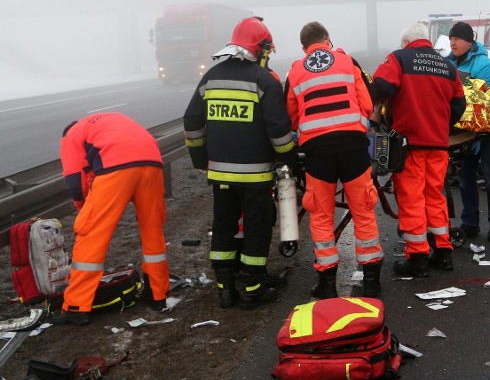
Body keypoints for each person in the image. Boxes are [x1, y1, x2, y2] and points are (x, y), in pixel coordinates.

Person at [183, 16, 297, 310]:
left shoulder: (211, 76)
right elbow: (278, 130)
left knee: (223, 227)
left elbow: (192, 121)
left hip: (220, 175)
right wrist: (288, 161)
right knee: (257, 231)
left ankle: (225, 291)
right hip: (256, 177)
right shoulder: (262, 81)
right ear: (258, 48)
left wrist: (201, 159)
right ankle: (252, 291)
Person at [285, 21, 384, 298]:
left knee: (321, 214)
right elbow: (367, 103)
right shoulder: (347, 62)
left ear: (304, 48)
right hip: (353, 148)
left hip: (317, 153)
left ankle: (327, 282)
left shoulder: (295, 70)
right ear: (327, 39)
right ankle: (372, 280)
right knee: (363, 209)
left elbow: (291, 116)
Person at [54, 113, 170, 326]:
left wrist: (84, 209)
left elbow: (75, 180)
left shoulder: (71, 136)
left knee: (91, 233)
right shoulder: (102, 123)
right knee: (152, 229)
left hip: (116, 165)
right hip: (152, 162)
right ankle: (158, 294)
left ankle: (76, 307)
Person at [372, 23, 466, 277]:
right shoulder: (448, 66)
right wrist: (440, 125)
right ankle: (443, 252)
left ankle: (417, 257)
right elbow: (459, 104)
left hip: (409, 144)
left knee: (411, 198)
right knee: (435, 196)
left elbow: (381, 86)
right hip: (437, 143)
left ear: (405, 42)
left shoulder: (399, 58)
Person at [445, 21, 490, 242]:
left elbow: (483, 94)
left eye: (458, 38)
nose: (453, 42)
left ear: (469, 42)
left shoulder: (483, 63)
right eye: (451, 38)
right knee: (465, 175)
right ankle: (470, 222)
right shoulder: (448, 62)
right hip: (468, 125)